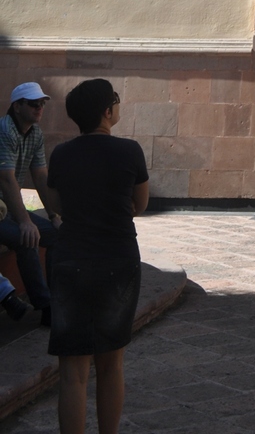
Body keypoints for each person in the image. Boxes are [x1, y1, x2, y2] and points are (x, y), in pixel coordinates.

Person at [46, 80, 149, 434]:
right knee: (111, 364)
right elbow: (141, 204)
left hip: (71, 257)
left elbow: (57, 206)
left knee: (72, 373)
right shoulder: (130, 151)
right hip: (117, 260)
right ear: (108, 111)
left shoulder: (61, 154)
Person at [0, 80, 59, 322]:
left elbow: (41, 176)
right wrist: (25, 221)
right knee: (27, 238)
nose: (39, 108)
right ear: (17, 106)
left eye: (42, 103)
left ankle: (58, 299)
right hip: (3, 209)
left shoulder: (35, 133)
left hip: (9, 207)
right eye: (33, 104)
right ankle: (46, 307)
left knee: (57, 235)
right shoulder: (5, 131)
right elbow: (6, 180)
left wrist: (55, 215)